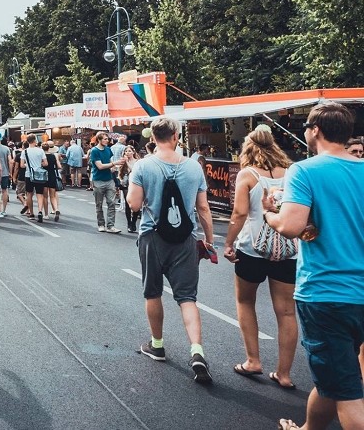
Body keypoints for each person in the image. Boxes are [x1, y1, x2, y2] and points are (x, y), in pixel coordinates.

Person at [266, 103, 364, 430]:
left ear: (315, 130)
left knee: (348, 392)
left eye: (305, 126)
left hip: (326, 293)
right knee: (336, 378)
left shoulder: (305, 170)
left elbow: (291, 226)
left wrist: (270, 214)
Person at [126, 115, 215, 384]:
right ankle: (197, 351)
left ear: (153, 138)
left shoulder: (142, 166)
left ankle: (157, 344)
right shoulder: (193, 167)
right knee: (187, 297)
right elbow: (203, 208)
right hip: (186, 238)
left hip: (152, 236)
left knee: (152, 292)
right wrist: (209, 239)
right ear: (176, 137)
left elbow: (133, 204)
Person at [221, 126, 298, 388]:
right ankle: (284, 374)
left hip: (252, 248)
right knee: (287, 312)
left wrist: (229, 243)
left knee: (245, 301)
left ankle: (253, 361)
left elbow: (239, 214)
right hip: (287, 249)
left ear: (248, 147)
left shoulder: (248, 174)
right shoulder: (291, 173)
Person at [90, 133, 122, 234]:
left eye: (107, 139)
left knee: (111, 203)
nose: (107, 141)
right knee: (99, 204)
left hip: (109, 180)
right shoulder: (94, 151)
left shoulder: (108, 149)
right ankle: (101, 224)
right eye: (104, 139)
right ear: (99, 140)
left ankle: (111, 226)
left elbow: (109, 161)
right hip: (98, 180)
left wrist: (113, 168)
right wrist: (114, 164)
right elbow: (100, 166)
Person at [22, 135, 47, 222]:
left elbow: (22, 165)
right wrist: (39, 165)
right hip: (39, 175)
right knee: (40, 194)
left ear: (28, 141)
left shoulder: (24, 152)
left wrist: (28, 165)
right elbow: (45, 163)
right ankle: (40, 211)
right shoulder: (40, 151)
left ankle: (31, 213)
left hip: (29, 175)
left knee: (29, 194)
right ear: (35, 141)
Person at [120, 145, 141, 232]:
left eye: (129, 151)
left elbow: (134, 171)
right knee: (128, 203)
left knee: (136, 204)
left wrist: (127, 163)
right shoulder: (122, 162)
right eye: (126, 151)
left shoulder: (137, 161)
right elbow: (120, 172)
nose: (127, 153)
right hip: (125, 184)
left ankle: (134, 221)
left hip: (135, 184)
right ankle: (129, 223)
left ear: (133, 152)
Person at [0, 137, 12, 217]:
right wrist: (10, 172)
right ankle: (4, 210)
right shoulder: (6, 149)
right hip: (5, 172)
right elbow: (10, 161)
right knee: (5, 190)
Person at [42, 141, 61, 221]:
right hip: (52, 175)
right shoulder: (53, 156)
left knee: (45, 197)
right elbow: (59, 166)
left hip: (44, 176)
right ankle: (56, 209)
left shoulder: (42, 157)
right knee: (52, 196)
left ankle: (46, 214)